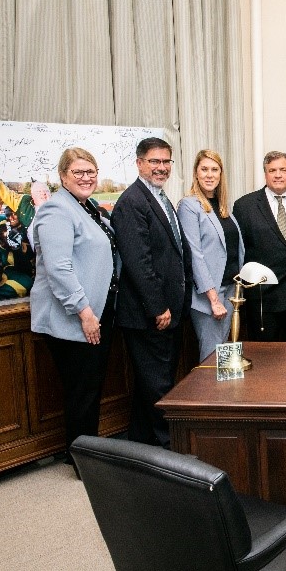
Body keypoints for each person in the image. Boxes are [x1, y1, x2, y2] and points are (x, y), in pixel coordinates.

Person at [28, 147, 119, 474]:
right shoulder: (55, 211)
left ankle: (84, 455)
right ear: (63, 176)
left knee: (89, 389)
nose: (86, 178)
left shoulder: (87, 207)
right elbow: (59, 269)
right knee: (82, 392)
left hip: (95, 314)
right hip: (76, 320)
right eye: (79, 172)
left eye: (91, 172)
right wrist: (84, 312)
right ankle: (83, 463)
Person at [112, 137, 192, 448]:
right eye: (154, 162)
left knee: (152, 381)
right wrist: (158, 307)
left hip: (167, 310)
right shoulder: (132, 202)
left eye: (166, 162)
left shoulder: (159, 197)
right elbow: (138, 262)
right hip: (149, 314)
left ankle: (140, 442)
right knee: (158, 384)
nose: (161, 168)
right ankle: (168, 448)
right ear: (139, 163)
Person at [232, 151, 286, 341]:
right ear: (265, 174)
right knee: (265, 358)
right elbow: (239, 251)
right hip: (263, 297)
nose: (278, 175)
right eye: (272, 170)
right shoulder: (245, 206)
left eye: (283, 170)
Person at [177, 150, 244, 361]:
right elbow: (195, 255)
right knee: (211, 359)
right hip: (209, 297)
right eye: (204, 169)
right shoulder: (189, 206)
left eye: (214, 170)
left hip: (230, 292)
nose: (209, 175)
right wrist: (213, 299)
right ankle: (208, 395)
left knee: (224, 359)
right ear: (196, 173)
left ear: (221, 174)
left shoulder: (224, 209)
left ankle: (223, 396)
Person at [0, 162, 51, 229]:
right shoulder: (24, 205)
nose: (43, 194)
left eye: (46, 191)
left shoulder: (56, 208)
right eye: (39, 191)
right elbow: (4, 192)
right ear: (32, 196)